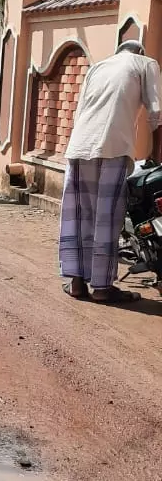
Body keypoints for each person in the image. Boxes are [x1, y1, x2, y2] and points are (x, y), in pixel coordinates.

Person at [60, 39, 162, 303]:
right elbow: (156, 111)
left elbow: (79, 111)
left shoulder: (98, 67)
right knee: (107, 217)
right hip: (113, 145)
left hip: (80, 145)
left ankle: (77, 283)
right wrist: (155, 153)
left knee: (78, 215)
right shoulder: (146, 63)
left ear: (117, 52)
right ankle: (103, 288)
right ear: (140, 51)